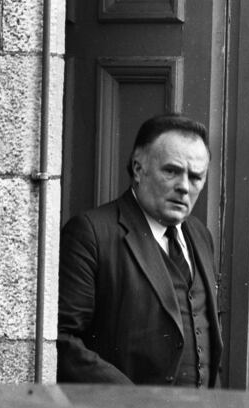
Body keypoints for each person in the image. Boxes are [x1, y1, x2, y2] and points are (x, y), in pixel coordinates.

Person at [57, 113, 223, 388]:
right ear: (138, 169)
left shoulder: (200, 235)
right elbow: (63, 338)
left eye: (196, 177)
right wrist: (133, 403)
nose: (184, 186)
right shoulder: (92, 233)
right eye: (171, 171)